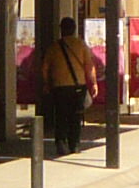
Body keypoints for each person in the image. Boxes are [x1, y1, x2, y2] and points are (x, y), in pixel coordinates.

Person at [41, 15, 98, 155]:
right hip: (77, 86)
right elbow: (89, 66)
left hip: (59, 87)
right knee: (75, 116)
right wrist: (94, 83)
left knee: (60, 115)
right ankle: (74, 145)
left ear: (61, 30)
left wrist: (47, 83)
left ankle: (61, 141)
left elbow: (45, 68)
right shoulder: (81, 45)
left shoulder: (54, 47)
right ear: (74, 29)